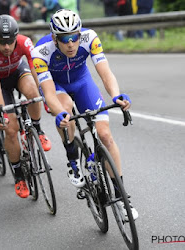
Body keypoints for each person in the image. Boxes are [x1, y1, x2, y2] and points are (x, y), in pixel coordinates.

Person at [31, 9, 138, 220]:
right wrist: (60, 112)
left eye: (74, 37)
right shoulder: (40, 52)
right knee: (66, 108)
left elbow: (105, 72)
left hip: (82, 82)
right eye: (64, 39)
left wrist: (116, 96)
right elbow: (49, 92)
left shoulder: (90, 38)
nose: (71, 43)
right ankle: (72, 156)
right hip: (58, 87)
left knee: (105, 135)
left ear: (80, 33)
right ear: (54, 38)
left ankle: (121, 196)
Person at [0, 15, 51, 198]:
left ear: (16, 37)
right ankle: (19, 174)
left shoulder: (25, 42)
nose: (6, 47)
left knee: (34, 93)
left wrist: (44, 94)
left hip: (18, 72)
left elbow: (36, 69)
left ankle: (37, 128)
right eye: (2, 42)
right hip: (0, 83)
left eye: (10, 42)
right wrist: (1, 113)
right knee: (10, 130)